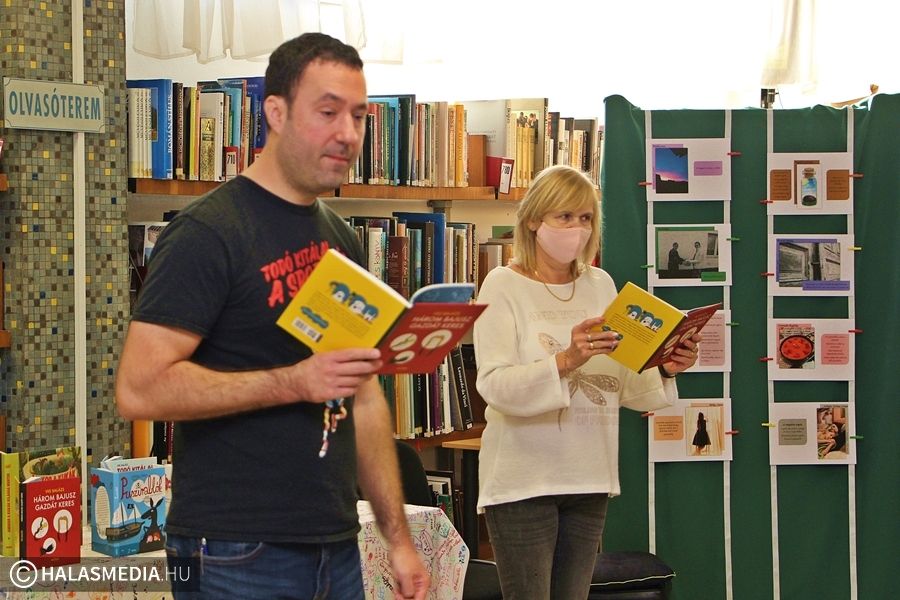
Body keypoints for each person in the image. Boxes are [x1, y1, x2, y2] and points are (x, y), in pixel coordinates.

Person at [115, 33, 429, 600]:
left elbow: (363, 398)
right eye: (328, 112)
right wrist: (294, 382)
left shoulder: (340, 239)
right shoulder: (208, 233)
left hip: (336, 541)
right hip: (233, 547)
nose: (348, 133)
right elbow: (139, 389)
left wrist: (397, 538)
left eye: (359, 116)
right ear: (276, 113)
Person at [472, 164, 700, 600]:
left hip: (589, 475)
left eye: (586, 217)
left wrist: (666, 367)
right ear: (533, 220)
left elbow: (619, 382)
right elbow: (495, 387)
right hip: (524, 480)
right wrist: (565, 360)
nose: (577, 228)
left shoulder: (601, 284)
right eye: (564, 216)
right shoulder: (501, 285)